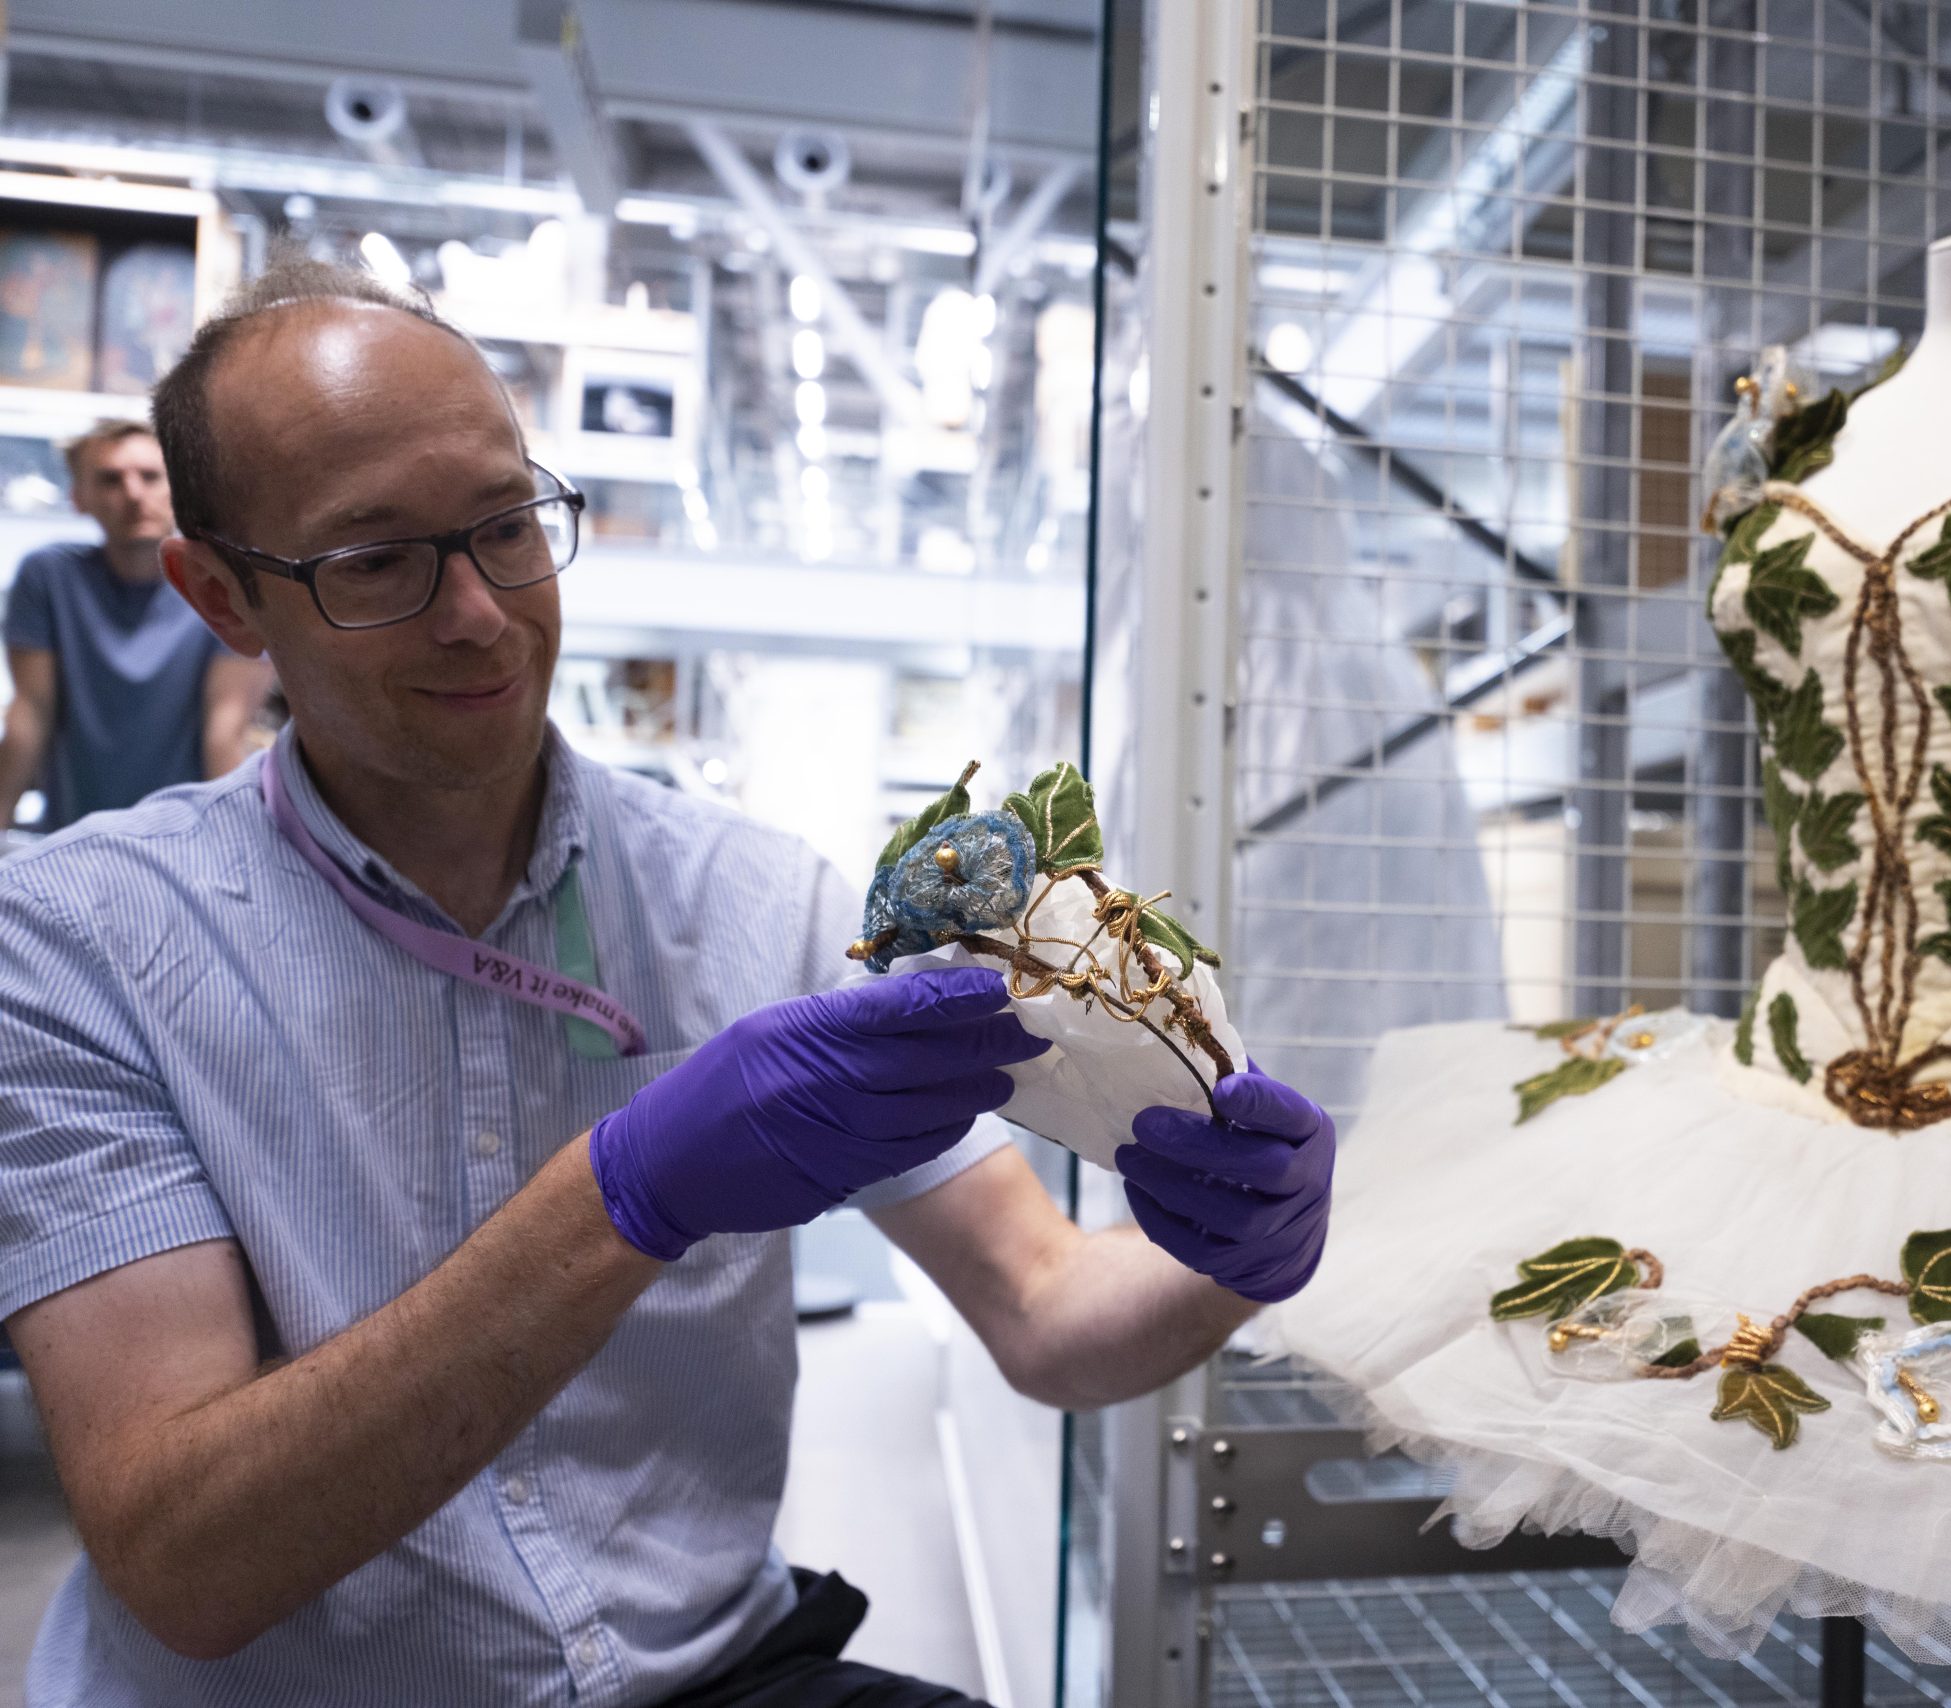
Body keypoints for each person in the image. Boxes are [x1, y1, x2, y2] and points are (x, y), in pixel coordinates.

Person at [0, 256, 1335, 1707]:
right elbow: (186, 1561)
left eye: (508, 525)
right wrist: (621, 1193)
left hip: (704, 1676)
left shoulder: (757, 901)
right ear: (222, 595)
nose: (481, 614)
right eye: (375, 561)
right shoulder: (78, 945)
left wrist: (1227, 1256)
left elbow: (1046, 1308)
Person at [0, 420, 269, 831]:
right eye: (110, 480)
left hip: (185, 842)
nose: (133, 493)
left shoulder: (221, 585)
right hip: (74, 839)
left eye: (150, 476)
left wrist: (233, 847)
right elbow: (30, 714)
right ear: (78, 498)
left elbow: (225, 732)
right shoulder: (49, 577)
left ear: (179, 489)